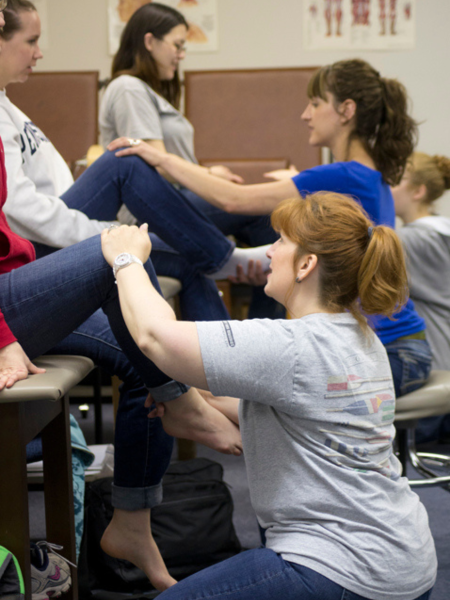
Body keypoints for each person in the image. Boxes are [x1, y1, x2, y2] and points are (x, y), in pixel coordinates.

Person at [101, 192, 436, 600]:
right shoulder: (362, 338)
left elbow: (156, 337)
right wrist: (199, 402)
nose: (270, 253)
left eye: (279, 242)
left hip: (344, 570)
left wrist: (126, 259)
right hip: (406, 561)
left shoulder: (291, 344)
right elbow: (308, 418)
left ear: (306, 264)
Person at [109, 57, 432, 398]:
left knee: (241, 402)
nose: (306, 114)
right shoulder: (366, 176)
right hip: (402, 350)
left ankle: (211, 262)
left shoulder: (345, 175)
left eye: (316, 103)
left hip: (391, 355)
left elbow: (234, 199)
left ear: (346, 110)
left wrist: (161, 158)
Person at [0, 0, 271, 286]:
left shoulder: (9, 107)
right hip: (44, 241)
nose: (39, 53)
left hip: (64, 222)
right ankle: (220, 258)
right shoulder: (127, 88)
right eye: (31, 41)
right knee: (126, 161)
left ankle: (238, 312)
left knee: (192, 263)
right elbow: (18, 209)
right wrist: (107, 230)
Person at [100, 2, 281, 317]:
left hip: (172, 201)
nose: (182, 54)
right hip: (149, 212)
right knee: (262, 211)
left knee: (256, 233)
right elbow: (152, 163)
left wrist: (207, 174)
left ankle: (250, 298)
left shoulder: (145, 91)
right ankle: (243, 282)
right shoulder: (128, 88)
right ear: (149, 42)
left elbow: (164, 158)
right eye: (177, 45)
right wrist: (207, 176)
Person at [392, 151, 450, 442]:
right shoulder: (440, 230)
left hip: (439, 363)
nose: (387, 188)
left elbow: (352, 250)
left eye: (396, 181)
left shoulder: (415, 240)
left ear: (419, 191)